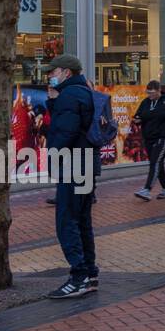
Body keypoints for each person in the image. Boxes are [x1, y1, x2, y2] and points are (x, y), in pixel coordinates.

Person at [44, 54, 99, 299]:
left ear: (66, 72)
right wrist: (53, 102)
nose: (49, 76)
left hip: (73, 165)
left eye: (52, 72)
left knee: (67, 221)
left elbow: (63, 132)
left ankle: (79, 277)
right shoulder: (83, 91)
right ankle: (90, 272)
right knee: (82, 220)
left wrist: (52, 159)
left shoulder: (69, 95)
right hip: (86, 163)